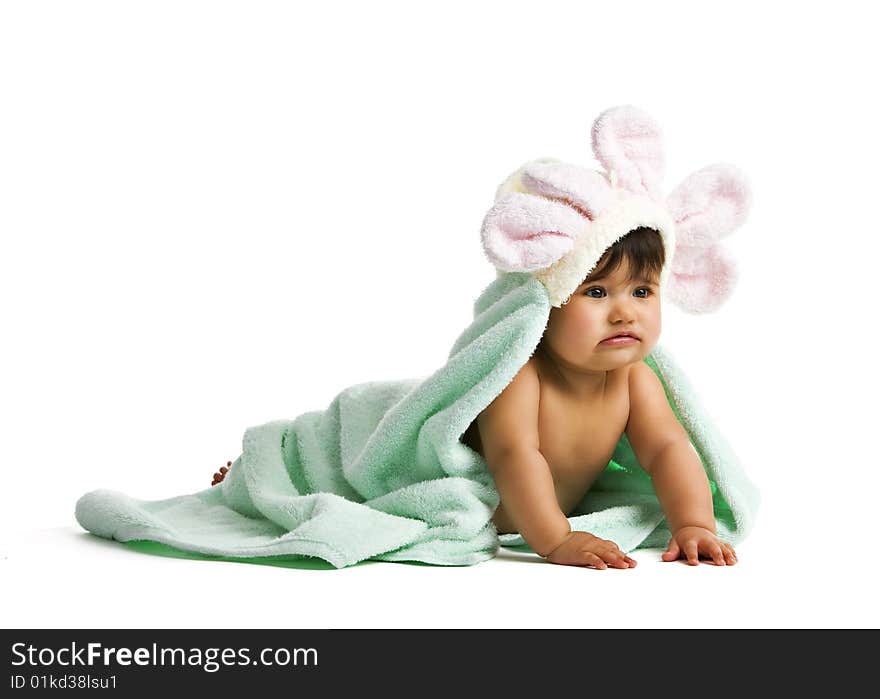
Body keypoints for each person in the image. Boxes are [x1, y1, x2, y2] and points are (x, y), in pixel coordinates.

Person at [462, 226, 738, 569]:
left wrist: (693, 524)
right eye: (596, 292)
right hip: (494, 513)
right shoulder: (521, 375)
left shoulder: (634, 378)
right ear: (545, 302)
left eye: (641, 291)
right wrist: (557, 539)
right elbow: (513, 454)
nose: (624, 313)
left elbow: (668, 449)